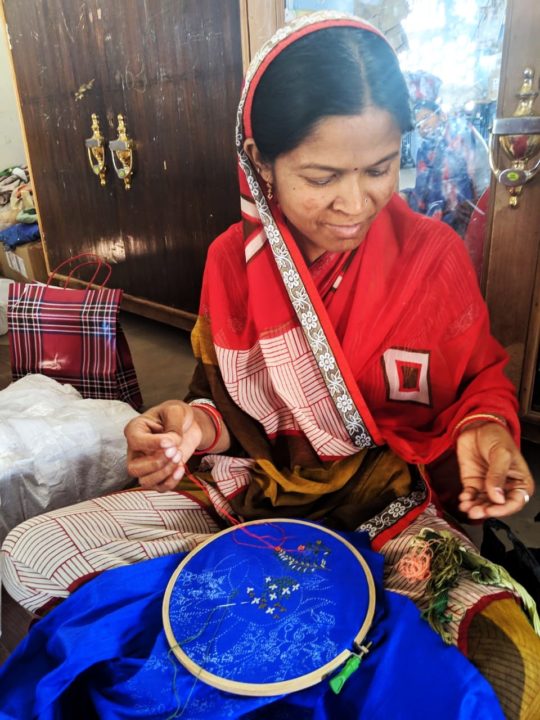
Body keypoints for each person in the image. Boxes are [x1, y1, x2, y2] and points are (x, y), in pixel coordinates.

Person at [1, 12, 538, 719]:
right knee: (30, 549)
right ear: (261, 161)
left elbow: (479, 381)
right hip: (256, 496)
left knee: (508, 650)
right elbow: (224, 410)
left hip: (392, 510)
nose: (356, 203)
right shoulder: (233, 263)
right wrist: (189, 431)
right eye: (322, 176)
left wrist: (487, 433)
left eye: (381, 168)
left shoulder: (431, 254)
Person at [403, 100, 490, 237]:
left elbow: (483, 180)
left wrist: (477, 207)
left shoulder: (464, 137)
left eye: (426, 117)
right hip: (432, 226)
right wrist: (406, 195)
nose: (422, 126)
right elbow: (423, 192)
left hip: (462, 222)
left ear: (442, 115)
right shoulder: (423, 151)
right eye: (418, 124)